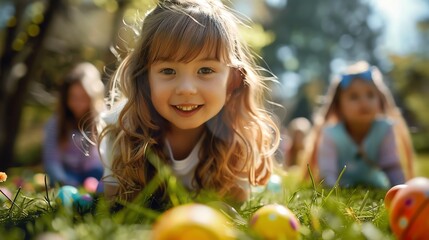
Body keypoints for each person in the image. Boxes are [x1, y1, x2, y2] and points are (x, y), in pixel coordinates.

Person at [98, 0, 280, 204]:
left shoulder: (240, 138)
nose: (186, 89)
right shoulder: (122, 129)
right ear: (145, 79)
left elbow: (233, 211)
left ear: (233, 80)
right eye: (168, 71)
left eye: (205, 70)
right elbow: (115, 206)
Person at [305, 61, 414, 189]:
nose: (364, 102)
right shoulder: (330, 134)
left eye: (370, 95)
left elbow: (392, 167)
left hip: (375, 186)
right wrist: (333, 192)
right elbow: (327, 174)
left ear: (380, 99)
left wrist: (402, 191)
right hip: (341, 187)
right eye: (354, 96)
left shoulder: (385, 129)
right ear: (338, 105)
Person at [43, 62, 105, 187]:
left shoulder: (103, 120)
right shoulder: (56, 123)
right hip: (67, 173)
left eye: (83, 97)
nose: (78, 103)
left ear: (93, 97)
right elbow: (51, 159)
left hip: (95, 173)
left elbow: (105, 160)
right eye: (73, 97)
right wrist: (64, 181)